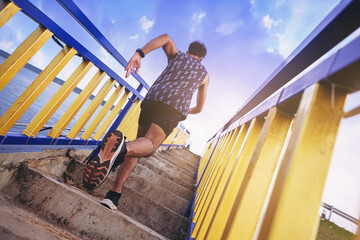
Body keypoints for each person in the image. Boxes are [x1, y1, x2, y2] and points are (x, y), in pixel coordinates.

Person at [83, 34, 210, 210]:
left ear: (188, 52)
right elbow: (199, 108)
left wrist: (139, 54)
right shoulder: (204, 75)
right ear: (202, 58)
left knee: (138, 146)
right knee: (148, 147)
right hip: (173, 109)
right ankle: (122, 149)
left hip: (153, 98)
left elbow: (165, 38)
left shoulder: (178, 55)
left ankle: (113, 195)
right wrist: (184, 108)